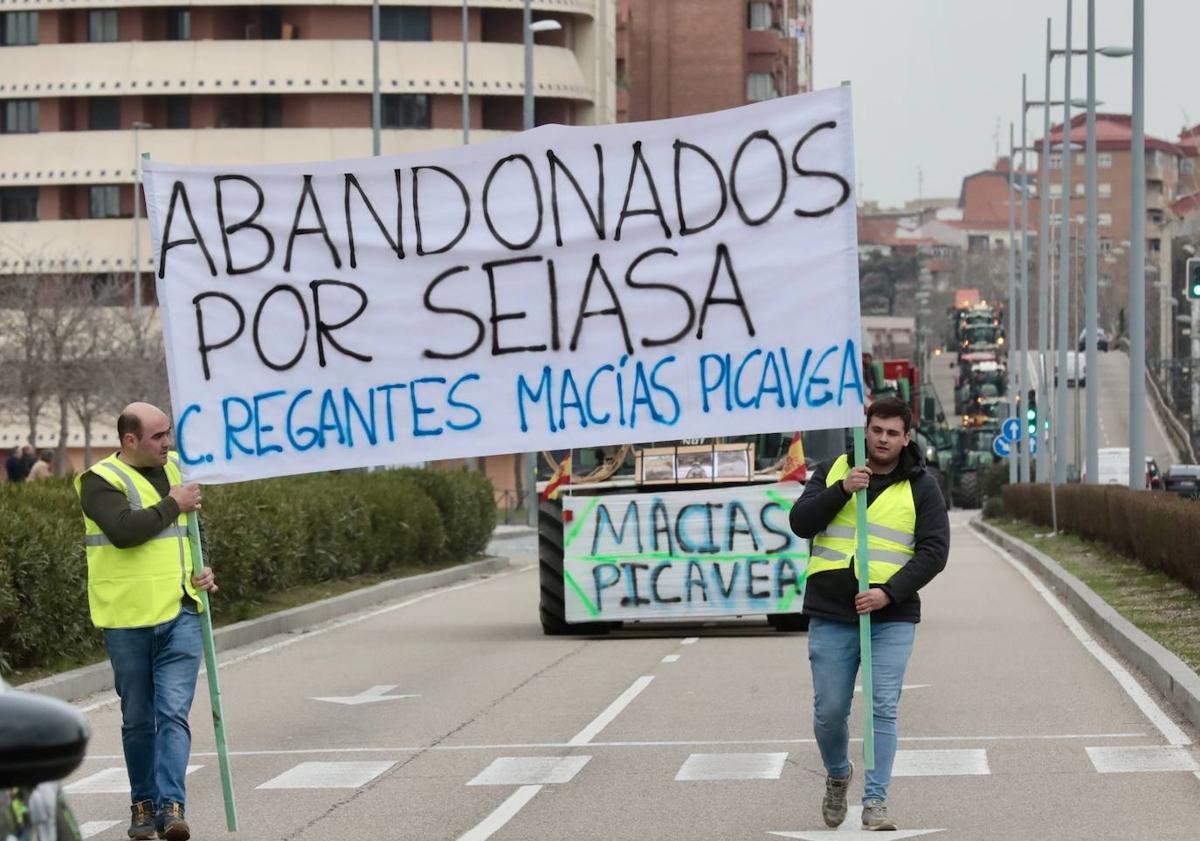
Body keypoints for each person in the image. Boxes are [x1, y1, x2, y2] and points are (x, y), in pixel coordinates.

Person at [789, 396, 949, 832]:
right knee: (830, 710)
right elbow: (801, 522)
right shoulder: (835, 470)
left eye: (892, 433)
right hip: (831, 611)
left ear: (906, 437)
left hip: (890, 616)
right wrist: (841, 491)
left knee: (881, 708)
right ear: (865, 428)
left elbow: (935, 551)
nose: (883, 439)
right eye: (876, 429)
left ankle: (876, 801)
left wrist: (889, 593)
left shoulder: (921, 485)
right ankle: (839, 774)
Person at [75, 403, 216, 841]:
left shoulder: (177, 468)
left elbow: (193, 532)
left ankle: (172, 807)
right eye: (158, 436)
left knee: (173, 712)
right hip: (129, 619)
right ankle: (143, 804)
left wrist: (205, 567)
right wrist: (173, 502)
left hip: (182, 611)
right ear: (130, 440)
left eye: (168, 433)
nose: (168, 443)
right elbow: (124, 531)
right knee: (138, 718)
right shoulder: (99, 481)